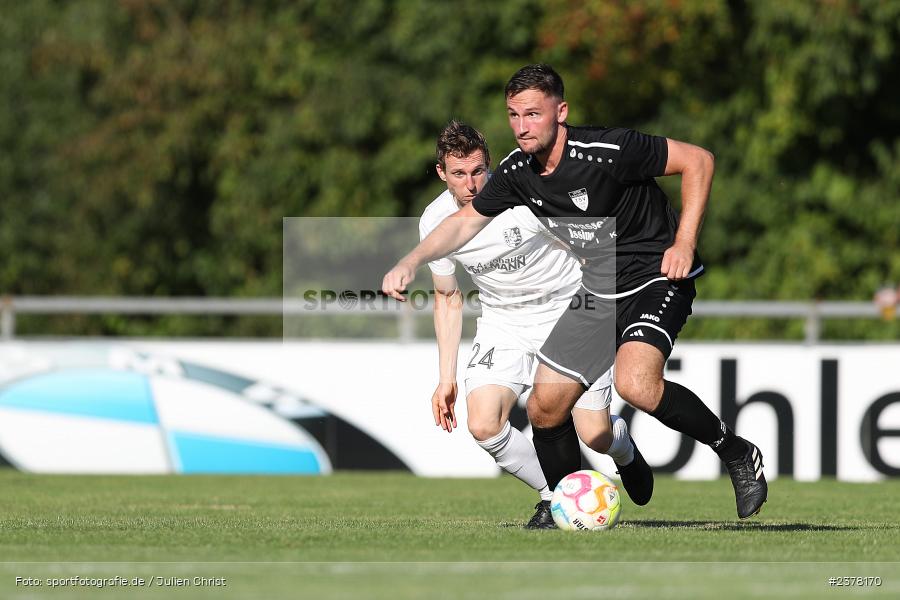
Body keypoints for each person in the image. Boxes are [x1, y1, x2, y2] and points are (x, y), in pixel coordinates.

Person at [384, 65, 767, 520]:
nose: (522, 126)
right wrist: (411, 260)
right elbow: (464, 224)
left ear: (560, 112)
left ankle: (735, 450)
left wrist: (683, 242)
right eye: (513, 115)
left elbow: (698, 161)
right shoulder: (515, 173)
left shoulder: (608, 150)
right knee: (545, 409)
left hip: (654, 274)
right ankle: (564, 504)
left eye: (532, 114)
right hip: (595, 291)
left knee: (636, 385)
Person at [422, 120, 652, 529]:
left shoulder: (522, 198)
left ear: (489, 165)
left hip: (568, 313)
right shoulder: (435, 221)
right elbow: (447, 296)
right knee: (483, 424)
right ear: (442, 173)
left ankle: (624, 452)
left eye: (478, 171)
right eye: (459, 174)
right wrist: (446, 378)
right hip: (503, 323)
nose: (471, 184)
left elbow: (590, 245)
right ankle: (553, 496)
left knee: (593, 433)